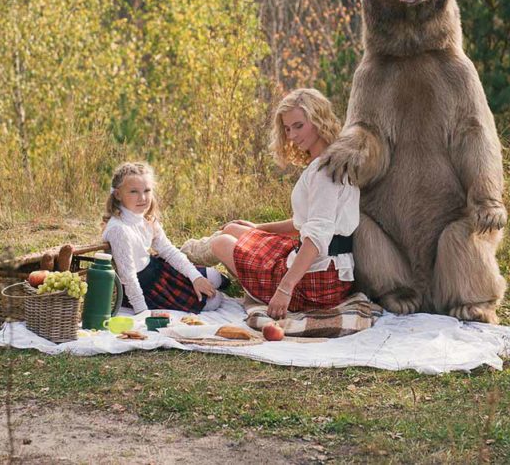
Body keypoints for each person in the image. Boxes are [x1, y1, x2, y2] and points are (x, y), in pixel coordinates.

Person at [205, 88, 358, 318]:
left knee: (221, 243)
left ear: (318, 120)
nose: (292, 136)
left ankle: (207, 263)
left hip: (317, 284)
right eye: (287, 129)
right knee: (233, 229)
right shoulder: (330, 159)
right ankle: (201, 258)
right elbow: (304, 223)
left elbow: (316, 236)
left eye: (298, 125)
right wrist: (257, 228)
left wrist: (284, 290)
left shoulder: (325, 171)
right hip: (325, 269)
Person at [101, 162, 226, 317]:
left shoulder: (145, 219)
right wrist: (142, 312)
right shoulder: (119, 229)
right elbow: (128, 277)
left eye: (147, 190)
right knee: (215, 301)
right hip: (145, 287)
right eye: (134, 192)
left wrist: (196, 278)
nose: (143, 198)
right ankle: (214, 290)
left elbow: (169, 251)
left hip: (158, 269)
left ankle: (215, 281)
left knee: (213, 277)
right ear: (118, 194)